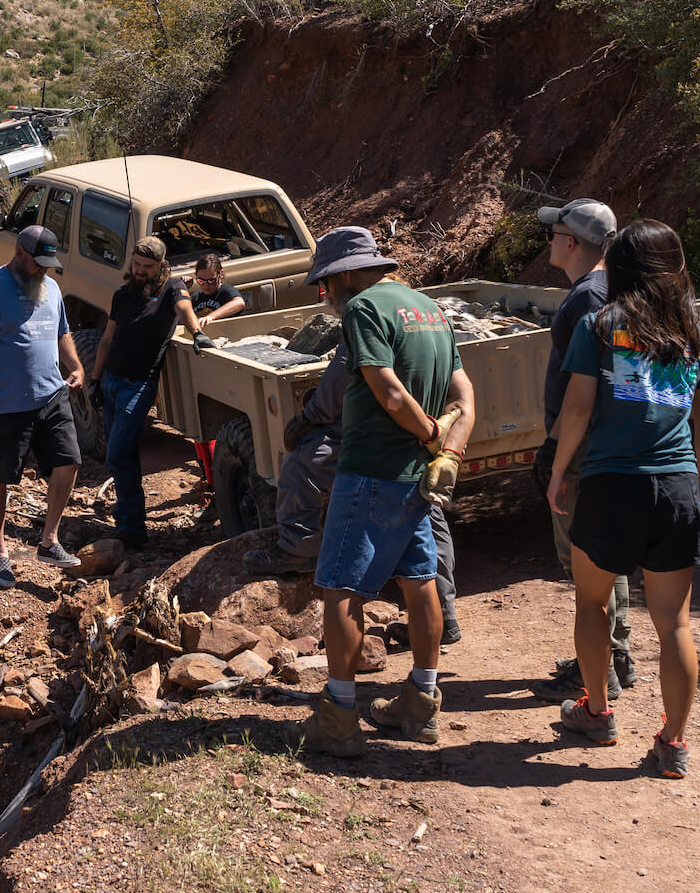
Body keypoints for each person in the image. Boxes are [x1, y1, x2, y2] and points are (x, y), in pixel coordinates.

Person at [547, 220, 700, 779]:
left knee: (592, 603)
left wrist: (556, 472)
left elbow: (576, 408)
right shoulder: (696, 327)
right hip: (674, 486)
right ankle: (673, 742)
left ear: (619, 267)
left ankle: (597, 712)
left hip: (609, 483)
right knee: (674, 623)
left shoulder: (600, 325)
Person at [299, 227, 475, 757]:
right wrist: (449, 451)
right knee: (420, 580)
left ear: (349, 273)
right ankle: (420, 704)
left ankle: (339, 719)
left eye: (327, 282)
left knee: (339, 589)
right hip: (416, 476)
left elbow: (390, 392)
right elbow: (464, 393)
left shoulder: (364, 310)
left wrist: (428, 433)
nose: (325, 294)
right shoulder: (429, 308)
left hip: (372, 468)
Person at [241, 338, 462, 646]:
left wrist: (307, 418)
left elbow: (335, 387)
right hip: (422, 437)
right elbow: (461, 394)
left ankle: (298, 548)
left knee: (302, 462)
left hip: (375, 437)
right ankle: (445, 614)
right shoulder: (428, 318)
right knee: (425, 511)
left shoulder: (366, 315)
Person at [531, 198, 640, 703]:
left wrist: (554, 451)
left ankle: (602, 670)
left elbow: (584, 391)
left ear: (571, 242)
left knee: (586, 559)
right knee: (605, 554)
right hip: (606, 441)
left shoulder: (585, 300)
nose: (550, 240)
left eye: (555, 233)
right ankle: (614, 655)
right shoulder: (610, 289)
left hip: (585, 447)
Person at [0, 225, 85, 589]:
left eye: (49, 264)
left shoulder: (52, 288)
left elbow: (61, 330)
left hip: (51, 394)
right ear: (20, 254)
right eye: (39, 263)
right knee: (0, 477)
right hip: (5, 404)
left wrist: (74, 365)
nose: (44, 270)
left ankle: (49, 541)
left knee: (69, 462)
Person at [84, 236, 208, 547]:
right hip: (111, 380)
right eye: (136, 264)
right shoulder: (123, 294)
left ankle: (131, 527)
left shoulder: (171, 288)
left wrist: (198, 333)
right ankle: (128, 519)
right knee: (118, 456)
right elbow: (108, 339)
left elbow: (184, 308)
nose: (140, 271)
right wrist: (95, 380)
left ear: (161, 266)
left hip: (139, 385)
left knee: (119, 451)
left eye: (147, 267)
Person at [184, 253, 245, 510]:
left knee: (218, 430)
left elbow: (239, 303)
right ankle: (208, 481)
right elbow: (180, 311)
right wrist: (184, 290)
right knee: (200, 429)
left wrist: (214, 316)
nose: (206, 285)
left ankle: (216, 486)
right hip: (203, 365)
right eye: (202, 280)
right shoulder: (196, 296)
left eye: (211, 280)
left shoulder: (225, 292)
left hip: (228, 361)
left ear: (220, 276)